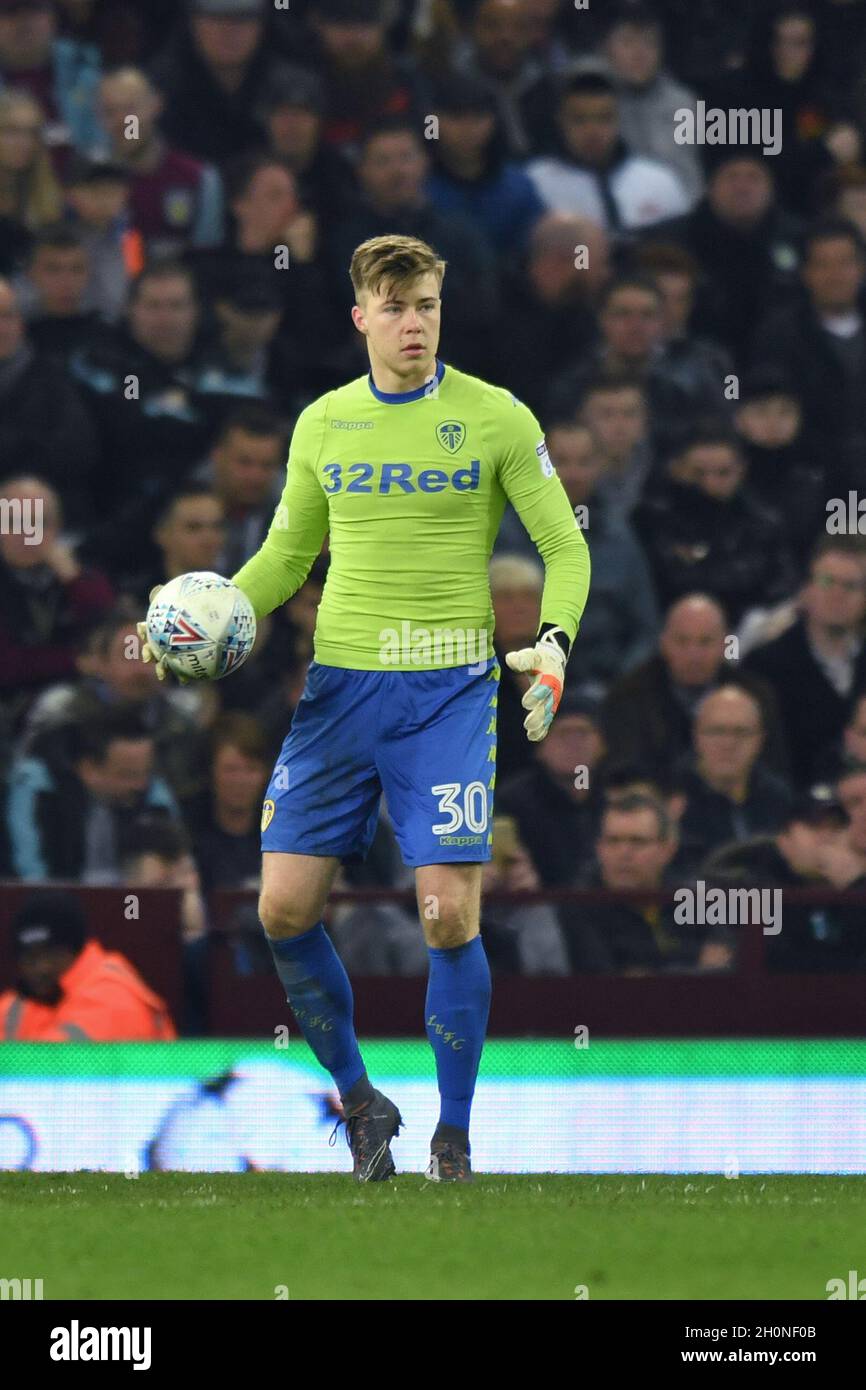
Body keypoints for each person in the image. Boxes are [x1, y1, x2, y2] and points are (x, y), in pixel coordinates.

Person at [138, 231, 590, 1182]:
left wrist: (552, 645)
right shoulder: (323, 424)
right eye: (394, 307)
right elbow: (285, 559)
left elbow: (565, 546)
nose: (413, 322)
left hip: (450, 695)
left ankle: (454, 1133)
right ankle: (361, 1102)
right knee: (282, 910)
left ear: (440, 308)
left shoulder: (498, 417)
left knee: (446, 919)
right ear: (361, 318)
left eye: (425, 304)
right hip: (339, 691)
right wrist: (211, 614)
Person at [603, 593, 787, 780]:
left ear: (725, 644)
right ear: (664, 643)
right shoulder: (628, 697)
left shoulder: (755, 696)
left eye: (705, 642)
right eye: (682, 641)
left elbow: (774, 773)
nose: (694, 656)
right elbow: (624, 775)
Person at [562, 793, 732, 973]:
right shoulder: (580, 904)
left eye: (637, 841)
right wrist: (695, 963)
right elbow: (611, 983)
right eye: (613, 841)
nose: (624, 853)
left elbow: (725, 959)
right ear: (599, 848)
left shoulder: (694, 899)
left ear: (667, 850)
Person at [745, 535, 866, 789]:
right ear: (807, 588)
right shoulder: (765, 667)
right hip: (795, 811)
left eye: (851, 586)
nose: (837, 594)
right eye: (826, 581)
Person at [6, 707, 181, 881]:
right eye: (127, 775)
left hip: (131, 906)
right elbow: (31, 878)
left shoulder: (154, 794)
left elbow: (174, 872)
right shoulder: (40, 786)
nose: (141, 785)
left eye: (146, 772)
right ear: (89, 769)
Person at [526, 70, 691, 236]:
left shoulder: (658, 181)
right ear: (561, 121)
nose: (593, 131)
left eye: (604, 118)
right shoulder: (536, 185)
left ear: (619, 119)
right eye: (579, 119)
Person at [0, 474, 112, 714]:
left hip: (86, 700)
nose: (26, 535)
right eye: (13, 522)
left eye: (38, 522)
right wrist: (75, 662)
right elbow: (7, 666)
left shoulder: (84, 577)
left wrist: (75, 581)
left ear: (58, 527)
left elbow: (109, 638)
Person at [0, 890, 176, 1040]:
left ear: (76, 950)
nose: (42, 967)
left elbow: (59, 1066)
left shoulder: (113, 994)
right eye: (30, 958)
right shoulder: (22, 1002)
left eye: (53, 954)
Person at [95, 65, 224, 258]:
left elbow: (209, 260)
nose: (123, 120)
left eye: (130, 109)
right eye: (110, 111)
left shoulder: (199, 178)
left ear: (156, 105)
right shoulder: (90, 181)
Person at [675, 684, 793, 874]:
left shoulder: (778, 798)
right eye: (717, 731)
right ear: (696, 737)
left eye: (741, 732)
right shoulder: (674, 797)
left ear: (760, 740)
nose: (728, 743)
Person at [497, 687, 606, 886]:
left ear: (602, 745)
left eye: (582, 733)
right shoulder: (513, 802)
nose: (574, 744)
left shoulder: (615, 796)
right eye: (564, 734)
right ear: (540, 747)